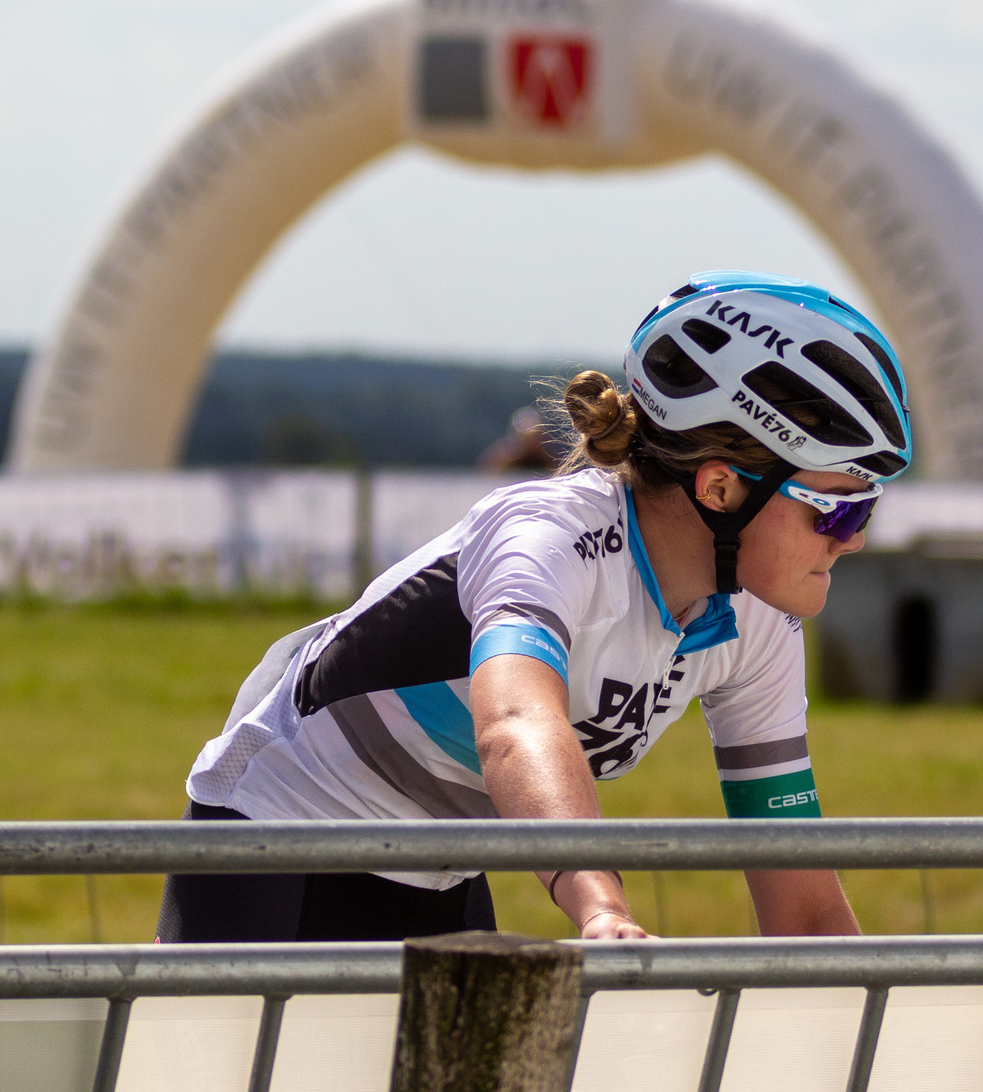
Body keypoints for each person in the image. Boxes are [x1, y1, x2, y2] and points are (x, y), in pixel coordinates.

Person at [159, 272, 915, 943]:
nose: (851, 541)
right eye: (838, 512)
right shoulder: (550, 539)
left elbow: (805, 906)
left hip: (439, 867)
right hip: (276, 833)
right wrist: (600, 906)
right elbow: (518, 730)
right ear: (719, 488)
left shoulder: (755, 621)